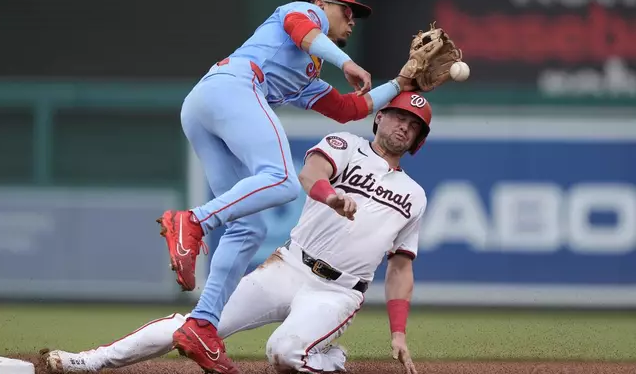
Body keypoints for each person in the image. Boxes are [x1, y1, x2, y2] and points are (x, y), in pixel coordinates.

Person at [43, 91, 431, 374]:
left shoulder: (414, 195)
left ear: (417, 141)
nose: (404, 127)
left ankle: (328, 357)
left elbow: (400, 269)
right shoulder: (346, 144)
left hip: (338, 292)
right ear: (379, 117)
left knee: (283, 355)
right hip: (288, 266)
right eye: (399, 117)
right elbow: (310, 174)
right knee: (196, 324)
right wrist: (330, 198)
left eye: (414, 126)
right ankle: (90, 361)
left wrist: (398, 333)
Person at [155, 0, 420, 372]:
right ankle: (193, 221)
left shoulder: (305, 72)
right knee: (280, 180)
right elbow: (304, 31)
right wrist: (345, 63)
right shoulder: (302, 15)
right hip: (235, 88)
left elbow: (349, 109)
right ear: (322, 2)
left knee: (248, 228)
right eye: (347, 11)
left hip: (202, 106)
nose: (352, 20)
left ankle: (203, 325)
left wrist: (400, 84)